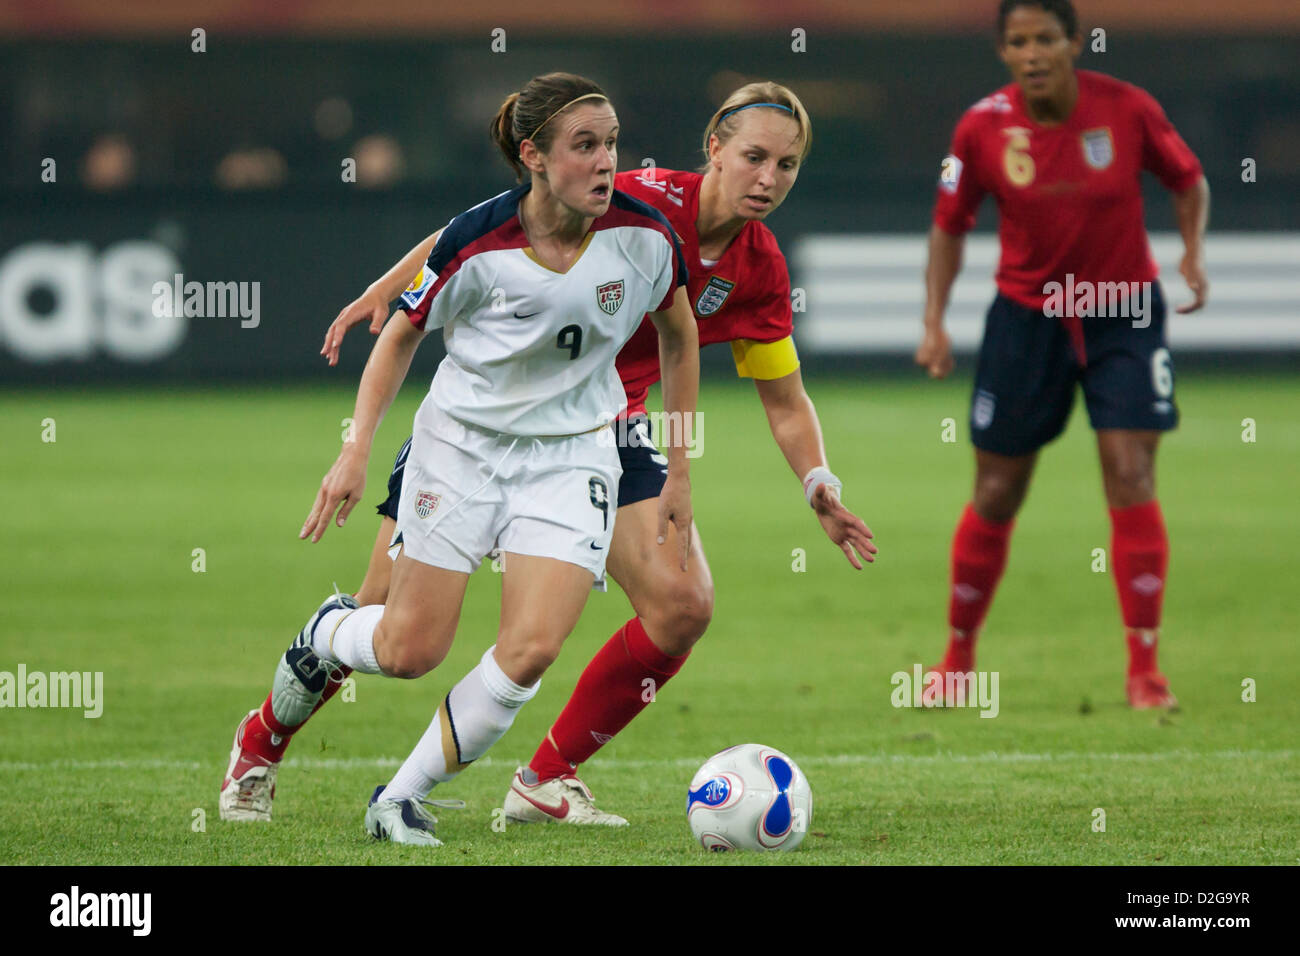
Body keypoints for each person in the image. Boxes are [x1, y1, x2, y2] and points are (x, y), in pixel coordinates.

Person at [221, 81, 877, 828]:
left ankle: (542, 778)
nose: (769, 179)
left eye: (788, 165)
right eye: (755, 157)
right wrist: (388, 288)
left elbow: (783, 397)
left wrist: (816, 479)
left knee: (682, 605)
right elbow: (477, 230)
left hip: (601, 431)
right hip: (484, 423)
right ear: (714, 151)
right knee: (391, 630)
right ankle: (264, 740)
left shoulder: (758, 268)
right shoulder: (632, 196)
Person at [914, 0, 1209, 709]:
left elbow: (1188, 180)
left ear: (1075, 41)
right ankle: (956, 660)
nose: (1034, 52)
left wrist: (1193, 253)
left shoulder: (1128, 109)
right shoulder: (981, 126)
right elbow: (949, 227)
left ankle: (1145, 671)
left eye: (1046, 37)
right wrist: (934, 321)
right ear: (1004, 53)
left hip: (1123, 316)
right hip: (1028, 321)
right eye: (1019, 42)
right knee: (996, 490)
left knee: (1130, 472)